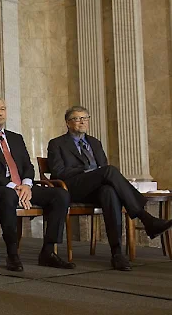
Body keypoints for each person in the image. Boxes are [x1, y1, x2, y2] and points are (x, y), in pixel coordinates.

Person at [47, 105, 172, 270]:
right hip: (73, 187)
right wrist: (87, 171)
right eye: (77, 119)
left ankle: (117, 254)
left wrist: (98, 174)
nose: (82, 122)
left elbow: (103, 169)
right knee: (109, 171)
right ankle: (145, 217)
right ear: (68, 123)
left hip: (97, 188)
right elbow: (58, 172)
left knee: (110, 192)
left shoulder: (95, 143)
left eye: (85, 118)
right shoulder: (57, 144)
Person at [0, 97, 74, 272]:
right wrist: (13, 186)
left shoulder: (16, 138)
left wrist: (26, 184)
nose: (0, 113)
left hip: (23, 186)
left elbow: (27, 165)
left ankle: (48, 252)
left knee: (60, 195)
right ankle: (12, 254)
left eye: (3, 109)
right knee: (9, 196)